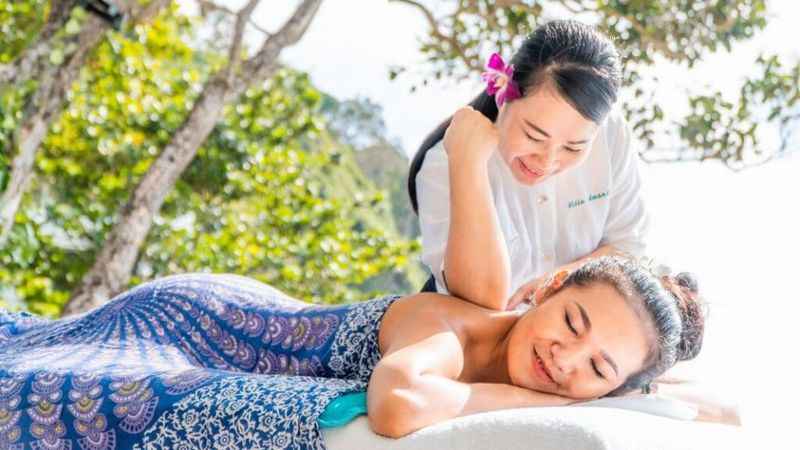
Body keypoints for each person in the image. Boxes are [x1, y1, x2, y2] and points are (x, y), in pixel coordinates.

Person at [0, 256, 703, 445]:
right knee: (43, 377)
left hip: (232, 336)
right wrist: (524, 395)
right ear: (550, 288)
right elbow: (398, 405)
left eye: (598, 369)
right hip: (199, 322)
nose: (566, 359)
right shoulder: (455, 326)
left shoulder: (560, 371)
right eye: (574, 322)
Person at [408, 19, 649, 311]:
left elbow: (629, 247)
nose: (547, 162)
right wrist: (468, 165)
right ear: (503, 95)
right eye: (534, 136)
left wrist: (562, 278)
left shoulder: (611, 136)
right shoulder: (444, 162)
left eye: (574, 147)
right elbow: (478, 299)